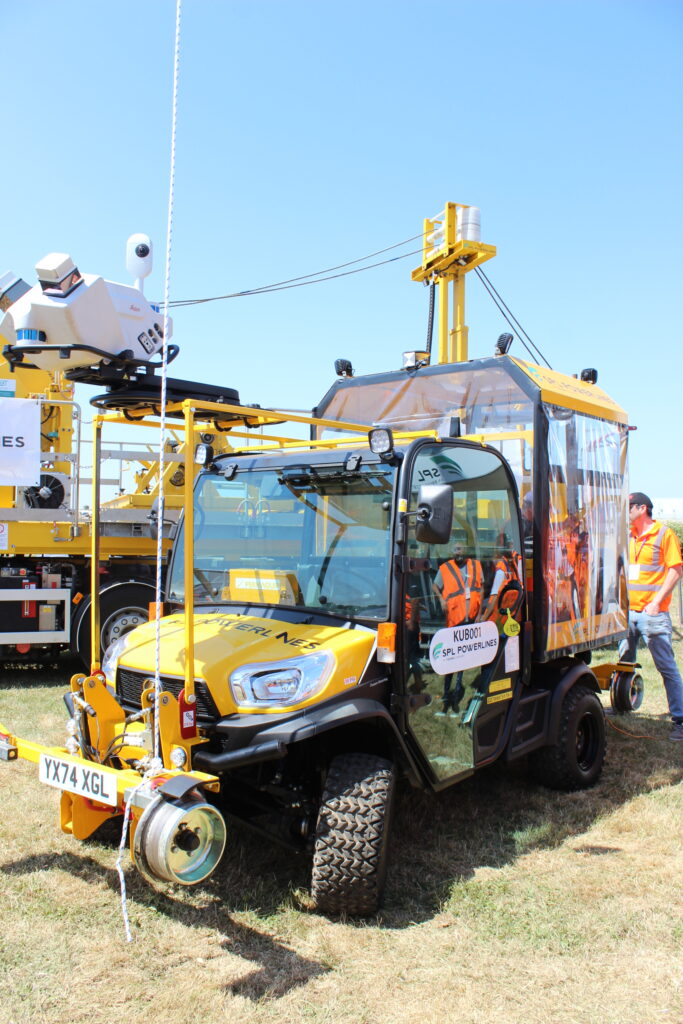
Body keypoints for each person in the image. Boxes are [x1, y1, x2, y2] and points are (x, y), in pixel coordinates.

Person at [618, 492, 683, 741]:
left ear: (642, 508)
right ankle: (622, 705)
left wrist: (656, 603)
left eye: (629, 507)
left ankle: (680, 720)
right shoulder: (629, 536)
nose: (626, 512)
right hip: (629, 613)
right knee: (624, 662)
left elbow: (676, 570)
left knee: (666, 667)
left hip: (652, 614)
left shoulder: (664, 534)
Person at [432, 542, 483, 714]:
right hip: (454, 620)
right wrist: (441, 599)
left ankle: (455, 700)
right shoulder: (445, 568)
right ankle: (446, 696)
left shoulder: (475, 566)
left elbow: (481, 588)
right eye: (455, 549)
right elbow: (434, 585)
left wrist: (479, 614)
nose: (458, 552)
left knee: (462, 660)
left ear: (466, 550)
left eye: (460, 549)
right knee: (451, 660)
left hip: (470, 619)